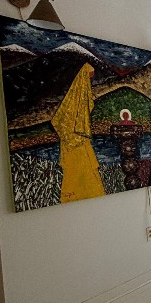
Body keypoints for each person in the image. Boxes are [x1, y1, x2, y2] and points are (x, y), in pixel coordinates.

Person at [51, 63, 105, 202]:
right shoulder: (76, 95)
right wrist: (72, 135)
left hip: (78, 139)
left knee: (83, 170)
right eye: (90, 78)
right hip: (74, 140)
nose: (91, 81)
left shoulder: (81, 93)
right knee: (77, 169)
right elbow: (61, 119)